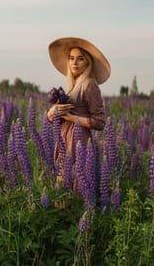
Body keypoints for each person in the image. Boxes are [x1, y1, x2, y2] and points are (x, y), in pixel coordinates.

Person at [47, 37, 111, 198]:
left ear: (87, 63)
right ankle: (65, 220)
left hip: (78, 140)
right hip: (64, 138)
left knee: (75, 183)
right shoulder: (73, 85)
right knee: (62, 184)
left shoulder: (90, 85)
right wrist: (50, 114)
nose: (75, 63)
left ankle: (77, 218)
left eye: (80, 59)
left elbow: (99, 121)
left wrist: (69, 117)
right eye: (71, 58)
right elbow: (58, 116)